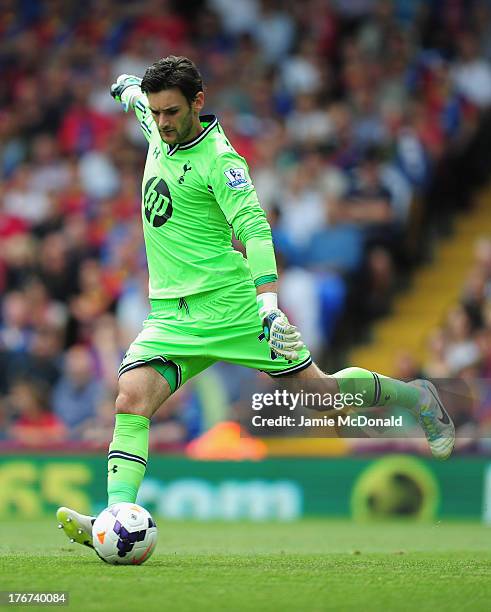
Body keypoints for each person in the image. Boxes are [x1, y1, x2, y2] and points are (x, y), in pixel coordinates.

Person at [56, 56, 454, 551]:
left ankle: (419, 398)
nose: (161, 123)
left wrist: (268, 303)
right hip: (170, 316)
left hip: (234, 308)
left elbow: (254, 227)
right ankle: (113, 518)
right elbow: (137, 98)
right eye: (156, 113)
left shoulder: (222, 161)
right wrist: (127, 88)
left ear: (198, 104)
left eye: (171, 113)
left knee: (325, 401)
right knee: (130, 399)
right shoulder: (156, 121)